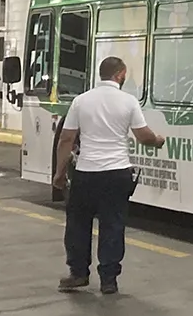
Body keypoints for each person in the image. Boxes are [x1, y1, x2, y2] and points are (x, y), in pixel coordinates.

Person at [53, 56, 164, 295]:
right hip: (117, 173)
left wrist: (59, 173)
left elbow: (66, 139)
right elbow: (144, 136)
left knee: (78, 225)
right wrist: (158, 140)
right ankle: (109, 280)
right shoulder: (128, 101)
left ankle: (78, 274)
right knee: (112, 225)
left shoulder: (81, 101)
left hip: (86, 173)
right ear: (121, 74)